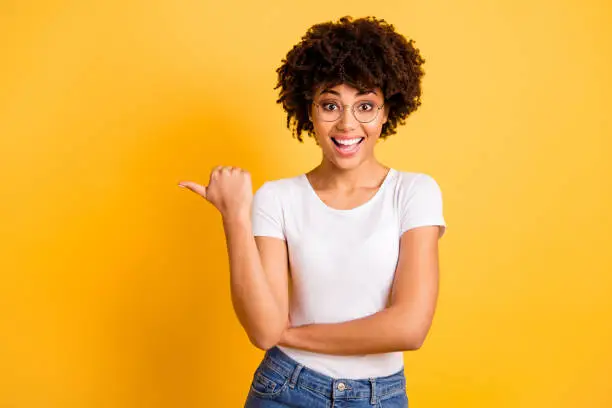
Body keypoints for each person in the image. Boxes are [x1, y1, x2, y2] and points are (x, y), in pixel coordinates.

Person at [178, 15, 447, 408]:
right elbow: (261, 329)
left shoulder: (413, 193)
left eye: (365, 105)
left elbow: (410, 327)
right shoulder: (277, 199)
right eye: (330, 105)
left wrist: (288, 336)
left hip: (379, 396)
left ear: (387, 112)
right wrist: (235, 215)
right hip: (285, 389)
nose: (347, 124)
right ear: (309, 111)